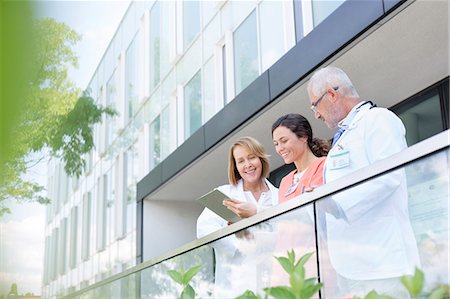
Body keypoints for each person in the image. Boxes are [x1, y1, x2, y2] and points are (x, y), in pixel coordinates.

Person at [307, 66, 420, 298]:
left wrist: (336, 204)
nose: (316, 115)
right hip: (352, 264)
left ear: (331, 94)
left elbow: (390, 177)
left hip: (382, 262)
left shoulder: (378, 120)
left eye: (315, 106)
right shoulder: (344, 135)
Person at [196, 136, 278, 298]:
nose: (247, 165)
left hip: (272, 280)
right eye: (240, 161)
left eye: (251, 157)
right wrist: (239, 244)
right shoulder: (226, 194)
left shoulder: (278, 195)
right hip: (235, 285)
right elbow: (203, 229)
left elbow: (286, 231)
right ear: (235, 167)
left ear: (260, 158)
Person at [272, 113, 330, 203]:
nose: (280, 148)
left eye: (284, 141)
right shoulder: (285, 182)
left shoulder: (325, 166)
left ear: (303, 137)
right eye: (276, 144)